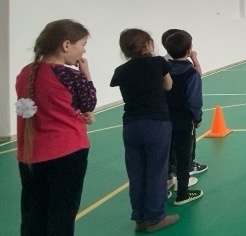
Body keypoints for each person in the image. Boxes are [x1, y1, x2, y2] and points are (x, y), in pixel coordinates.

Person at [15, 19, 97, 236]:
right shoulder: (70, 75)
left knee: (33, 214)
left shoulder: (26, 73)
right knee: (62, 215)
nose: (83, 50)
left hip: (30, 155)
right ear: (66, 45)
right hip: (67, 153)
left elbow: (35, 107)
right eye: (82, 45)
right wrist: (86, 74)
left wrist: (74, 113)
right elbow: (88, 103)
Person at [110, 29, 178, 232]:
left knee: (136, 173)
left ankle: (139, 218)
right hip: (156, 123)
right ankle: (155, 218)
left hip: (131, 125)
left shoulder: (121, 70)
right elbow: (168, 86)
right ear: (147, 45)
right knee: (156, 171)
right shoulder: (158, 63)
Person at [161, 30, 204, 206]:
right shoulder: (191, 74)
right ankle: (183, 193)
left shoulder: (162, 69)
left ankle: (165, 185)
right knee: (184, 156)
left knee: (165, 153)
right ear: (188, 51)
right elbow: (194, 100)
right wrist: (197, 117)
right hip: (183, 120)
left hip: (164, 119)